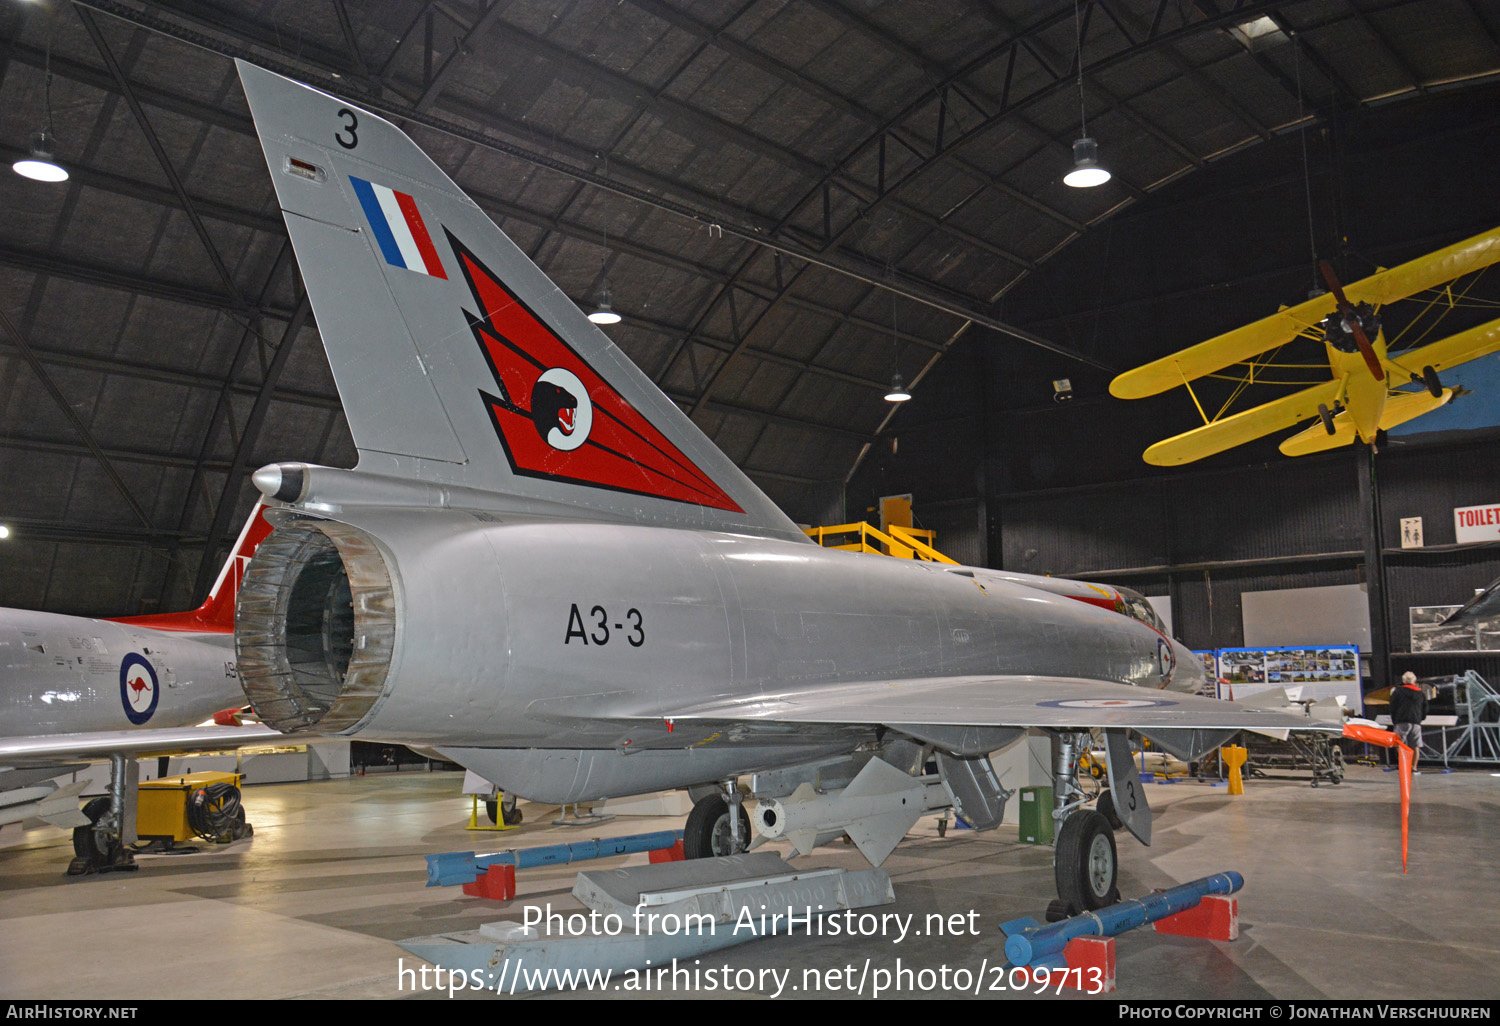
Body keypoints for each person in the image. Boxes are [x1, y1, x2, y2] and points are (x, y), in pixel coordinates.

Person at [1388, 670, 1429, 770]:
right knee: (1415, 746)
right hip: (1416, 722)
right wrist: (1420, 718)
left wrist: (1394, 720)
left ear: (1403, 680)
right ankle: (1414, 767)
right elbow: (1425, 708)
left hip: (1401, 721)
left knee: (1400, 744)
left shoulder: (1397, 691)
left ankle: (1405, 765)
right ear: (1414, 681)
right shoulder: (1421, 693)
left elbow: (1392, 707)